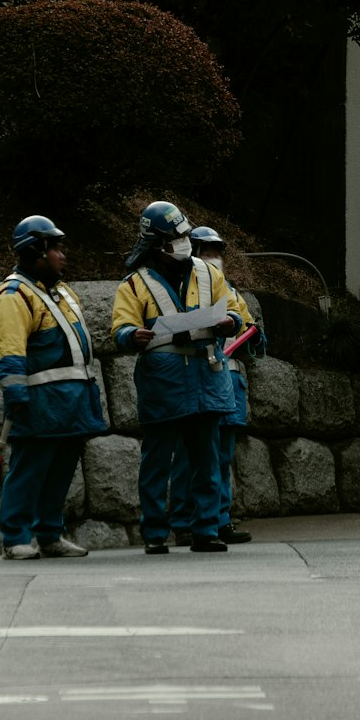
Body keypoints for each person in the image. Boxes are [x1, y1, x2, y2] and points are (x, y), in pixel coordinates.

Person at [111, 201, 241, 555]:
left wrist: (231, 320)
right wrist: (130, 336)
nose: (184, 242)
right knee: (157, 461)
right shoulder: (134, 285)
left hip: (205, 374)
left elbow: (232, 308)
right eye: (175, 237)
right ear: (157, 244)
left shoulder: (208, 273)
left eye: (185, 235)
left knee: (206, 461)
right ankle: (154, 532)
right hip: (163, 381)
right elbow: (120, 327)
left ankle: (205, 529)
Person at [0, 215, 106, 560]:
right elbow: (9, 352)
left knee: (60, 472)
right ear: (36, 251)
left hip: (73, 400)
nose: (62, 254)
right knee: (29, 471)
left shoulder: (62, 292)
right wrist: (16, 395)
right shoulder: (13, 296)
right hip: (40, 401)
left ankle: (49, 534)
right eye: (55, 247)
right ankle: (14, 538)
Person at [167, 226, 262, 545]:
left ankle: (219, 519)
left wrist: (253, 334)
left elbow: (248, 328)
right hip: (195, 377)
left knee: (221, 456)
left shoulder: (230, 292)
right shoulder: (182, 287)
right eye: (207, 252)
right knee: (187, 454)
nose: (214, 258)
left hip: (229, 380)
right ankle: (183, 521)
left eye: (217, 252)